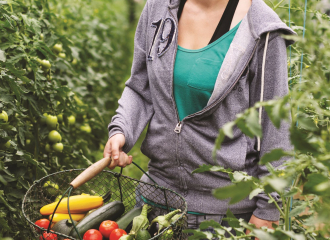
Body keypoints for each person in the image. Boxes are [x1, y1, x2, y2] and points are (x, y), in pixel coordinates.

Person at [104, 0, 296, 236]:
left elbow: (276, 128)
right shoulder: (159, 9)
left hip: (224, 219)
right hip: (153, 205)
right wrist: (121, 128)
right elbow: (140, 87)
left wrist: (268, 209)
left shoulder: (262, 29)